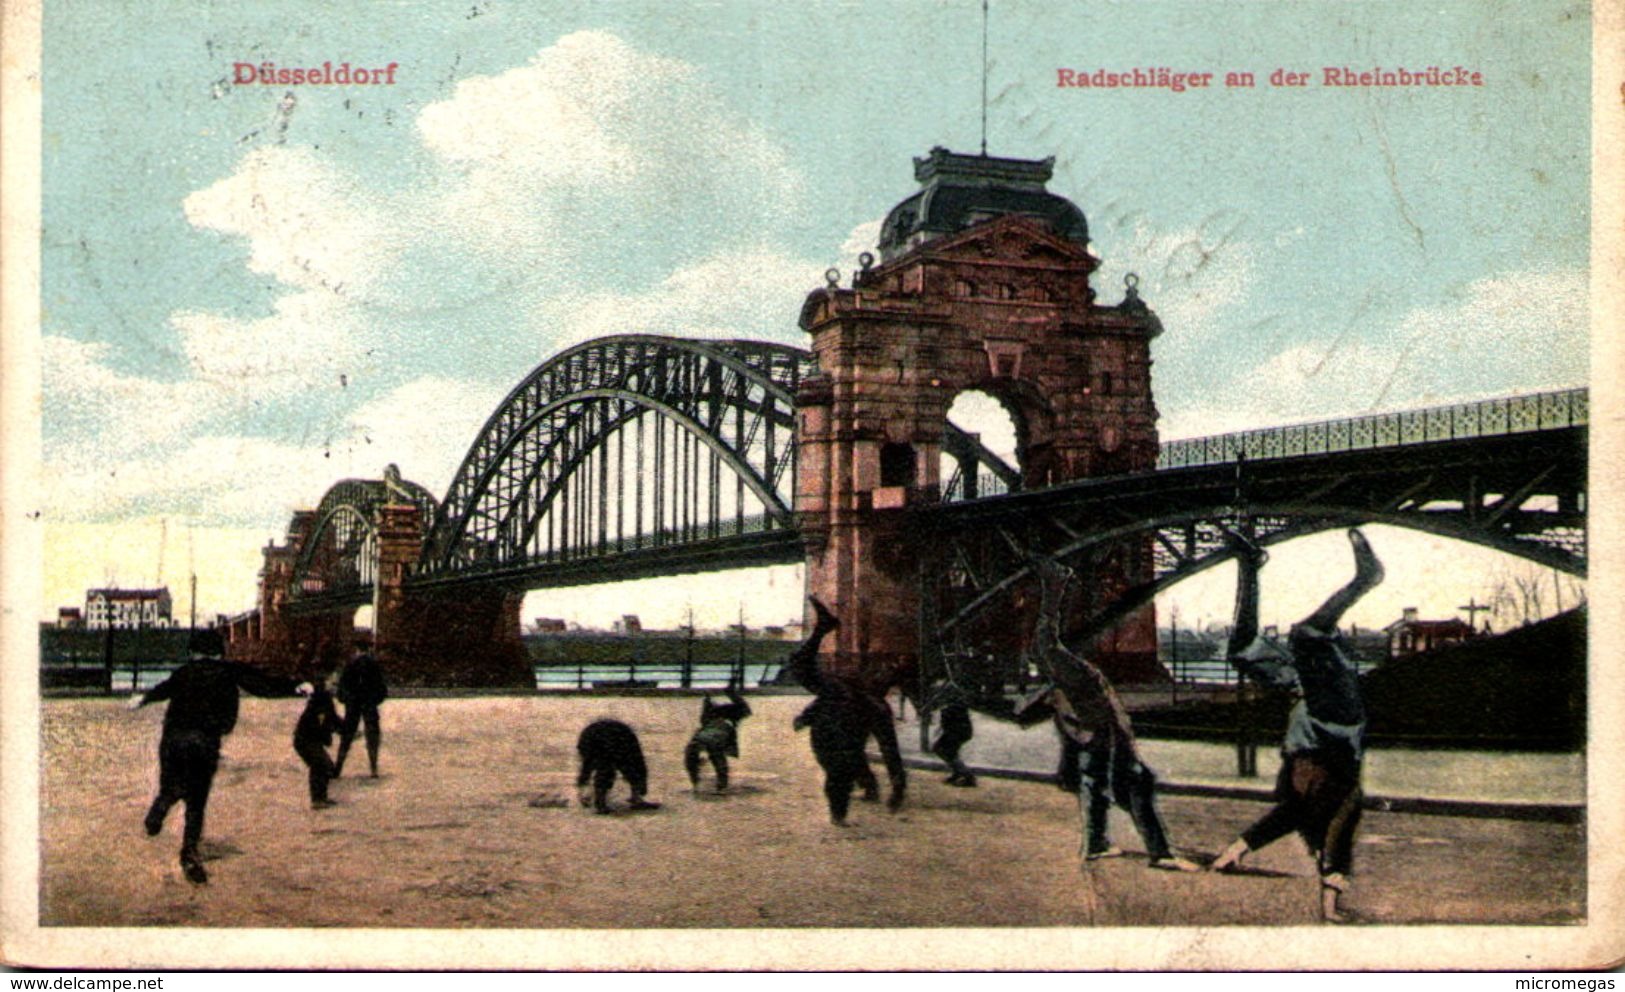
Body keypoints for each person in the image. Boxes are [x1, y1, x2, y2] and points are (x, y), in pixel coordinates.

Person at [1211, 528, 1384, 924]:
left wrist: (1234, 850)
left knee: (1241, 649)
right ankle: (1366, 580)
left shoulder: (1300, 796)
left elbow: (1281, 818)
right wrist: (1330, 907)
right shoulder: (1342, 800)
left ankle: (1250, 565)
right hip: (1337, 714)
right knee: (1306, 635)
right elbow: (1335, 846)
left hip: (1302, 693)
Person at [1022, 558, 1198, 872]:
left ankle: (1096, 843)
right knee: (1136, 783)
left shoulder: (1068, 677)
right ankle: (1160, 853)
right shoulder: (1073, 670)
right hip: (1109, 734)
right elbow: (1047, 640)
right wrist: (1054, 587)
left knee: (1097, 783)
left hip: (1095, 735)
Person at [131, 628, 310, 884]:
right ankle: (189, 854)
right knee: (196, 800)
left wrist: (143, 699)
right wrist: (296, 687)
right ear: (219, 651)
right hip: (205, 741)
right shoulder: (229, 670)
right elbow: (263, 685)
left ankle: (161, 806)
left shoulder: (184, 672)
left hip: (173, 740)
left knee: (170, 785)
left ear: (193, 651)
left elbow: (162, 689)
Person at [787, 597, 906, 825]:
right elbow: (890, 750)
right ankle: (863, 790)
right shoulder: (869, 703)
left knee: (842, 767)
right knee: (847, 761)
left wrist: (805, 718)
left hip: (833, 736)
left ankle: (848, 804)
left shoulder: (855, 698)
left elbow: (889, 748)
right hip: (835, 733)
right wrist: (898, 787)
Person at [576, 719, 661, 814]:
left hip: (591, 735)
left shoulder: (627, 746)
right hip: (605, 738)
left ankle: (598, 800)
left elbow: (587, 766)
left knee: (598, 766)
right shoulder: (627, 750)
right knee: (607, 768)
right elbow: (637, 769)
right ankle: (601, 802)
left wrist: (582, 784)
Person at [334, 642, 388, 779]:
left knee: (347, 736)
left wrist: (347, 700)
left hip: (353, 704)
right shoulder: (373, 665)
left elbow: (342, 687)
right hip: (369, 704)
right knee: (372, 736)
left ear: (356, 650)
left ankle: (338, 767)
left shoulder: (350, 664)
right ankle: (373, 768)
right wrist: (374, 700)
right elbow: (382, 688)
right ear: (368, 650)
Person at [685, 687, 752, 792]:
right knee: (718, 758)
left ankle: (696, 783)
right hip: (717, 736)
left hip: (701, 736)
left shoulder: (710, 716)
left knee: (693, 755)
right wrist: (732, 694)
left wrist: (707, 700)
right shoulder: (731, 716)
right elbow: (746, 710)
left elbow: (704, 717)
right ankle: (721, 785)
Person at [293, 679, 342, 809]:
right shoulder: (322, 700)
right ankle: (317, 800)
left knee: (326, 767)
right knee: (320, 765)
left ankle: (322, 797)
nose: (335, 687)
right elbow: (329, 720)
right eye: (333, 684)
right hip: (305, 740)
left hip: (311, 740)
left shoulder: (325, 700)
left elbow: (333, 719)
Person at [927, 682, 976, 787]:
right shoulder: (957, 702)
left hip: (957, 732)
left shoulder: (951, 706)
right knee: (951, 751)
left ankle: (968, 775)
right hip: (960, 731)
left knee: (941, 749)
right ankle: (958, 773)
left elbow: (946, 722)